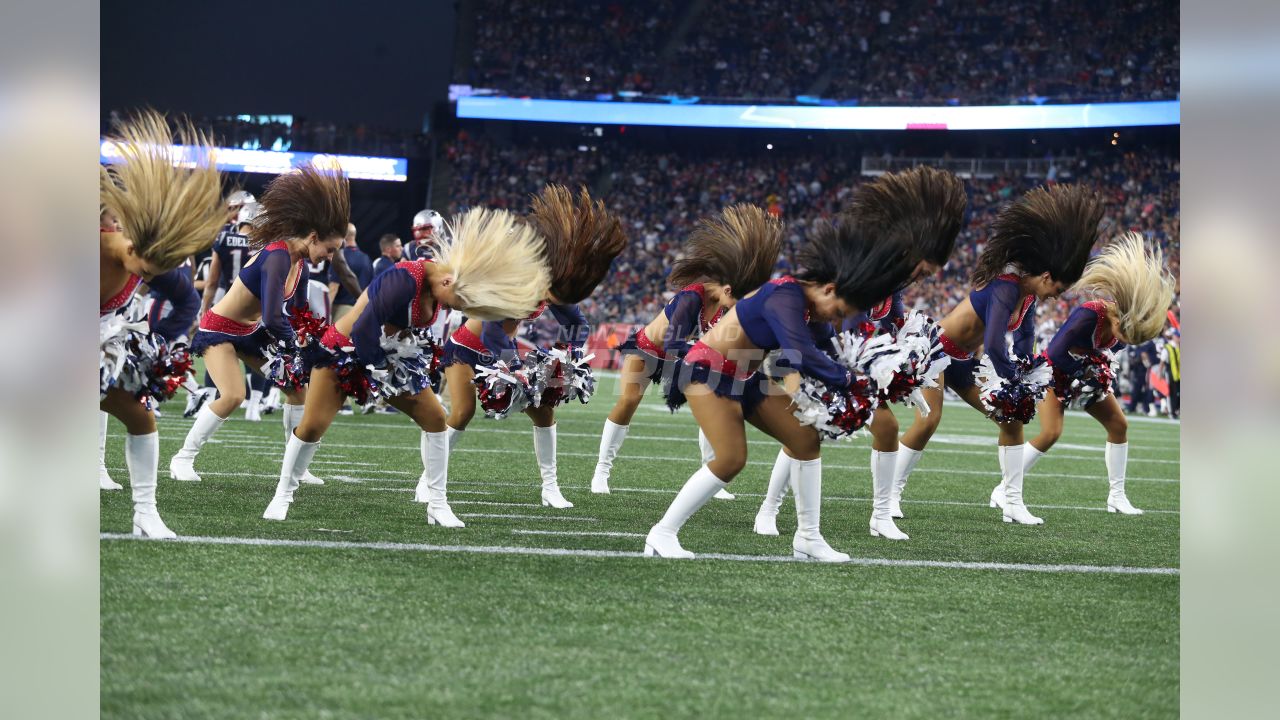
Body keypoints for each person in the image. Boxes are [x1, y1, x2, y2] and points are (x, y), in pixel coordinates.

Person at [645, 216, 926, 561]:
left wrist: (883, 375)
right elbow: (799, 353)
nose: (836, 319)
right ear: (829, 289)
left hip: (747, 377)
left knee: (804, 439)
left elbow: (829, 350)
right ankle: (662, 533)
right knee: (732, 458)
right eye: (839, 310)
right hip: (708, 371)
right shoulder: (785, 295)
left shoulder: (812, 308)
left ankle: (808, 538)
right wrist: (852, 382)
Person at [263, 207, 551, 523]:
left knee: (436, 419)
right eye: (456, 301)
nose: (453, 308)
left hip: (389, 354)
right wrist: (381, 373)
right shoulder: (404, 277)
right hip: (344, 350)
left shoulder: (444, 282)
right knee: (312, 427)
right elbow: (363, 328)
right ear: (446, 281)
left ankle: (437, 505)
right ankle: (282, 496)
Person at [752, 166, 967, 541]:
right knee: (804, 426)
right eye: (926, 268)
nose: (927, 276)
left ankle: (881, 516)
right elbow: (848, 320)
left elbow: (895, 318)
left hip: (848, 356)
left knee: (886, 427)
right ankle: (768, 509)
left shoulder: (893, 278)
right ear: (914, 251)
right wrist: (871, 366)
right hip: (815, 348)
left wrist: (908, 365)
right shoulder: (864, 268)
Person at [892, 185, 1103, 526]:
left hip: (961, 358)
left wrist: (1028, 370)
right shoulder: (1006, 286)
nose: (1056, 296)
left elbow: (1025, 338)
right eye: (1058, 289)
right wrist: (1013, 379)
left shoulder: (1028, 292)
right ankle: (889, 496)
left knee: (1010, 418)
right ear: (1047, 276)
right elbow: (992, 344)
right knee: (929, 420)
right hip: (935, 350)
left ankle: (1012, 502)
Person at [441, 185, 627, 509]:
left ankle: (550, 488)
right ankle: (430, 482)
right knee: (462, 412)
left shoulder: (551, 285)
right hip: (469, 348)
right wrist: (516, 371)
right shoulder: (516, 282)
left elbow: (577, 324)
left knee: (543, 412)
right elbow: (492, 332)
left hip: (501, 347)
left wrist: (570, 359)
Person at [169, 163, 349, 484]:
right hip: (219, 330)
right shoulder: (277, 255)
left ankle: (296, 467)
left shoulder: (301, 264)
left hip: (251, 333)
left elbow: (297, 314)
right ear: (311, 237)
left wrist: (313, 343)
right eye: (329, 249)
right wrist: (297, 347)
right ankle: (183, 458)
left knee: (297, 391)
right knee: (233, 395)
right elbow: (273, 316)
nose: (330, 257)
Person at [591, 204, 783, 496]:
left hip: (684, 354)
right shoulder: (692, 297)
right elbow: (672, 342)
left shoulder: (728, 302)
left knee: (713, 402)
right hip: (648, 350)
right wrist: (704, 356)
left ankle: (712, 474)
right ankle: (601, 472)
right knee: (628, 401)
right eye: (737, 299)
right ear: (727, 289)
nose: (737, 308)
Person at [100, 110, 225, 537]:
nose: (147, 279)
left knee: (141, 416)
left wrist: (162, 343)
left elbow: (188, 301)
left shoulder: (150, 260)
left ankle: (144, 514)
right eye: (146, 271)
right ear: (130, 245)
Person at [1017, 233, 1175, 514]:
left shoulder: (1124, 326)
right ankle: (1005, 489)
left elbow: (1103, 352)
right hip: (1052, 374)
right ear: (1117, 318)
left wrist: (1094, 372)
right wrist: (1085, 372)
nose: (1124, 341)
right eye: (1124, 336)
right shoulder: (1088, 314)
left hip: (1083, 376)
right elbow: (1054, 353)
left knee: (1119, 425)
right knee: (1051, 432)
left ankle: (1117, 496)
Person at [332, 223, 373, 321]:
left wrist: (322, 313)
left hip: (342, 311)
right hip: (362, 310)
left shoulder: (339, 256)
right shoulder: (367, 259)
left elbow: (333, 287)